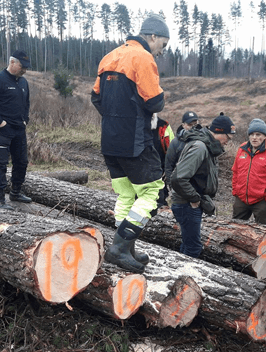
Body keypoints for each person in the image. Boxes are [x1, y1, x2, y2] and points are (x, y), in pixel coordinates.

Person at [91, 14, 170, 273]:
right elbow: (154, 102)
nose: (161, 52)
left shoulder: (109, 57)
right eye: (163, 45)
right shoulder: (142, 57)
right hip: (135, 141)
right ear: (153, 36)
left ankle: (127, 247)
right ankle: (119, 248)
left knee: (126, 193)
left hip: (110, 140)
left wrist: (115, 119)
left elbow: (95, 97)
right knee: (153, 192)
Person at [171, 113, 235, 258]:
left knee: (188, 245)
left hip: (189, 203)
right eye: (228, 138)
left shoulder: (207, 147)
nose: (228, 142)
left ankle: (180, 275)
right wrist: (195, 199)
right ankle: (187, 278)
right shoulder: (200, 147)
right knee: (193, 248)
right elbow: (178, 178)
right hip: (186, 204)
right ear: (218, 132)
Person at [0, 50, 33, 210]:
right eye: (22, 66)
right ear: (12, 62)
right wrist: (0, 122)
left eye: (26, 67)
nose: (24, 70)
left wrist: (25, 120)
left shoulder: (23, 83)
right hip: (2, 129)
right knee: (0, 163)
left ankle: (15, 192)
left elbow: (26, 104)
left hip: (19, 129)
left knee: (21, 162)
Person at [231, 118, 266, 225]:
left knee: (262, 233)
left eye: (258, 134)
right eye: (252, 134)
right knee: (235, 230)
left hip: (262, 201)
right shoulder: (242, 149)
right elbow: (235, 172)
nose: (254, 137)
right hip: (241, 199)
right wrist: (236, 191)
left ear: (265, 136)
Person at [165, 110, 201, 190]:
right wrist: (171, 185)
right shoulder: (175, 142)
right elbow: (169, 165)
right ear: (183, 125)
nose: (193, 127)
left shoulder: (204, 140)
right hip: (180, 186)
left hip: (199, 186)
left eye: (195, 124)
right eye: (189, 125)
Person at [151, 114, 174, 207]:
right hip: (140, 168)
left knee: (160, 198)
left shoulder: (163, 125)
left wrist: (168, 168)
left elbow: (172, 150)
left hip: (160, 169)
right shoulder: (133, 123)